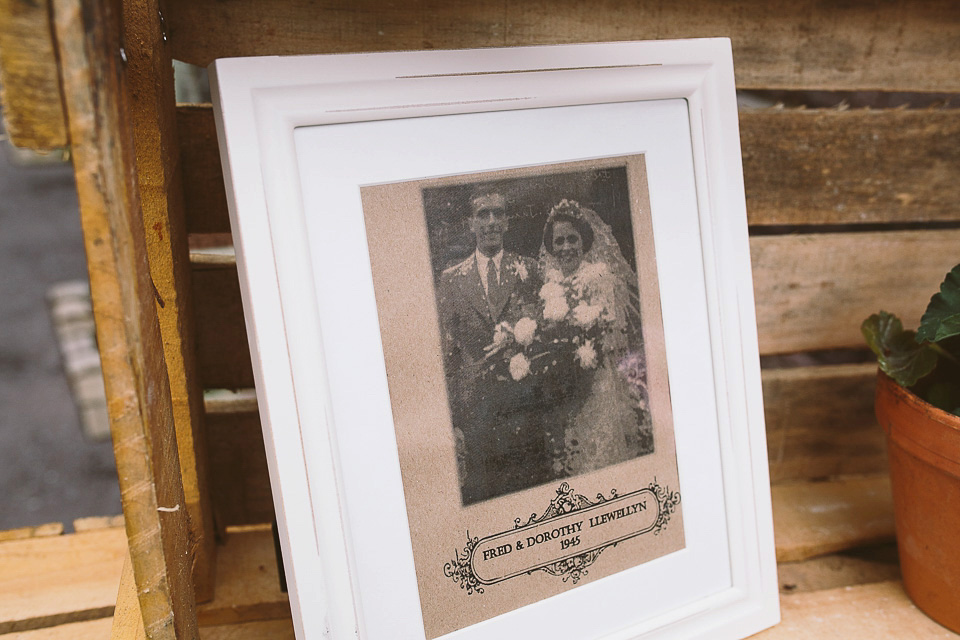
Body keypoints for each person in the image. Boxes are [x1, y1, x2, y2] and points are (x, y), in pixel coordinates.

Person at [436, 190, 543, 503]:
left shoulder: (529, 269)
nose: (491, 221)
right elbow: (448, 353)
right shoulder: (452, 279)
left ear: (507, 221)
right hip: (476, 410)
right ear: (471, 223)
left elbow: (544, 330)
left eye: (498, 213)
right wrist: (452, 420)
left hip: (523, 404)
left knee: (529, 493)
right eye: (483, 214)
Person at [538, 199, 653, 476]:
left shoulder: (599, 276)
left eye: (572, 239)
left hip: (596, 381)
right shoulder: (549, 284)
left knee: (598, 454)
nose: (566, 248)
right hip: (563, 388)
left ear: (585, 241)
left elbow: (610, 334)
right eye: (559, 241)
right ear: (551, 246)